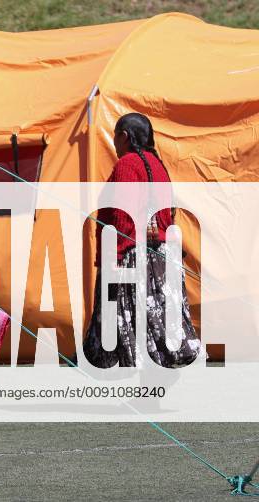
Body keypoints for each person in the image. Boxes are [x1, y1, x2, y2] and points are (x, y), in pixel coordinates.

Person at [83, 112, 201, 368]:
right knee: (153, 326)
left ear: (123, 136)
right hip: (161, 260)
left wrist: (113, 258)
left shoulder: (127, 164)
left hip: (132, 257)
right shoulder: (157, 164)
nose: (114, 142)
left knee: (131, 324)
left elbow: (123, 214)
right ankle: (151, 390)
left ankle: (142, 393)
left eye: (115, 136)